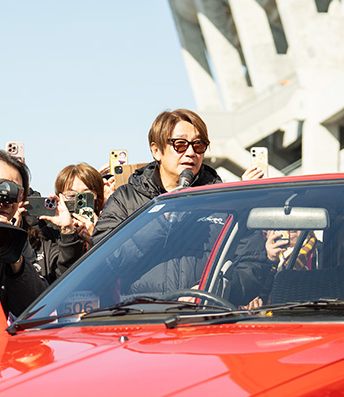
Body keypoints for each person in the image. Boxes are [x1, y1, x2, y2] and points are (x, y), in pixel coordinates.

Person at [92, 109, 222, 244]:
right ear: (156, 151)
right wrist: (160, 223)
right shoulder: (126, 199)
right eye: (180, 144)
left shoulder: (219, 199)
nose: (191, 152)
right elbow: (103, 258)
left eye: (198, 145)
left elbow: (242, 255)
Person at [0, 148, 48, 315]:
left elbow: (35, 307)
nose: (8, 201)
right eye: (1, 188)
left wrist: (12, 256)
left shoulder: (13, 240)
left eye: (17, 193)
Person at [37, 164, 103, 283]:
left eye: (86, 195)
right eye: (71, 196)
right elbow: (60, 277)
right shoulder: (50, 232)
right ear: (60, 197)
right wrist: (68, 232)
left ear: (97, 196)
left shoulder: (109, 224)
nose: (79, 201)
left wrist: (99, 237)